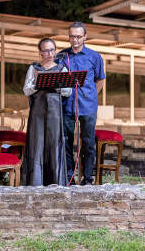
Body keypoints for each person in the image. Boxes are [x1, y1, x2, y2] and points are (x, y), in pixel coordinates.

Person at [21, 38, 71, 186]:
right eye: (46, 50)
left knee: (54, 143)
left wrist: (56, 85)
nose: (50, 53)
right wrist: (37, 83)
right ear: (40, 52)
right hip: (37, 111)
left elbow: (68, 91)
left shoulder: (61, 69)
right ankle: (35, 181)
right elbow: (26, 90)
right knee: (37, 143)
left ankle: (55, 181)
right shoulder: (34, 68)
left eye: (52, 50)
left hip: (55, 112)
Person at [60, 22, 105, 185]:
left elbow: (100, 80)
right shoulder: (62, 56)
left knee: (88, 143)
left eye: (78, 36)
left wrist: (91, 96)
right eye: (72, 36)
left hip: (88, 107)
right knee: (66, 142)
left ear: (85, 36)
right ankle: (69, 177)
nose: (75, 40)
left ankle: (87, 178)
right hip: (66, 106)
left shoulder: (94, 56)